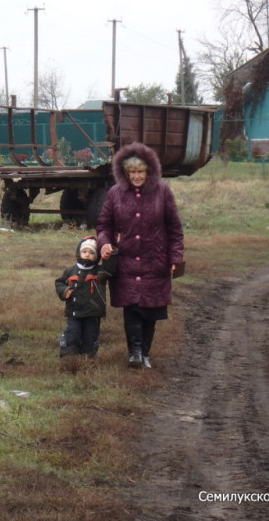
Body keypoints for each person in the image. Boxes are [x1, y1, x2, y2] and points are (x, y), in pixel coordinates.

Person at [96, 142, 184, 369]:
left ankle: (145, 352)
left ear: (149, 171)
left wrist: (176, 258)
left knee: (151, 309)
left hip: (155, 260)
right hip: (126, 261)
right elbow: (104, 226)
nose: (136, 176)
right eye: (132, 172)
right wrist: (104, 244)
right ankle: (134, 353)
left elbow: (174, 228)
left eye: (140, 171)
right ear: (125, 172)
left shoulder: (162, 191)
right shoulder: (115, 193)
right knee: (132, 306)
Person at [54, 236, 108, 358]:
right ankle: (69, 355)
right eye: (84, 252)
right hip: (74, 311)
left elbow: (111, 268)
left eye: (91, 252)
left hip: (93, 312)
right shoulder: (70, 270)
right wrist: (64, 291)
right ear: (79, 253)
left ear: (97, 256)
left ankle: (89, 358)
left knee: (90, 336)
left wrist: (111, 252)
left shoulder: (100, 272)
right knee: (73, 333)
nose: (87, 255)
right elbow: (59, 283)